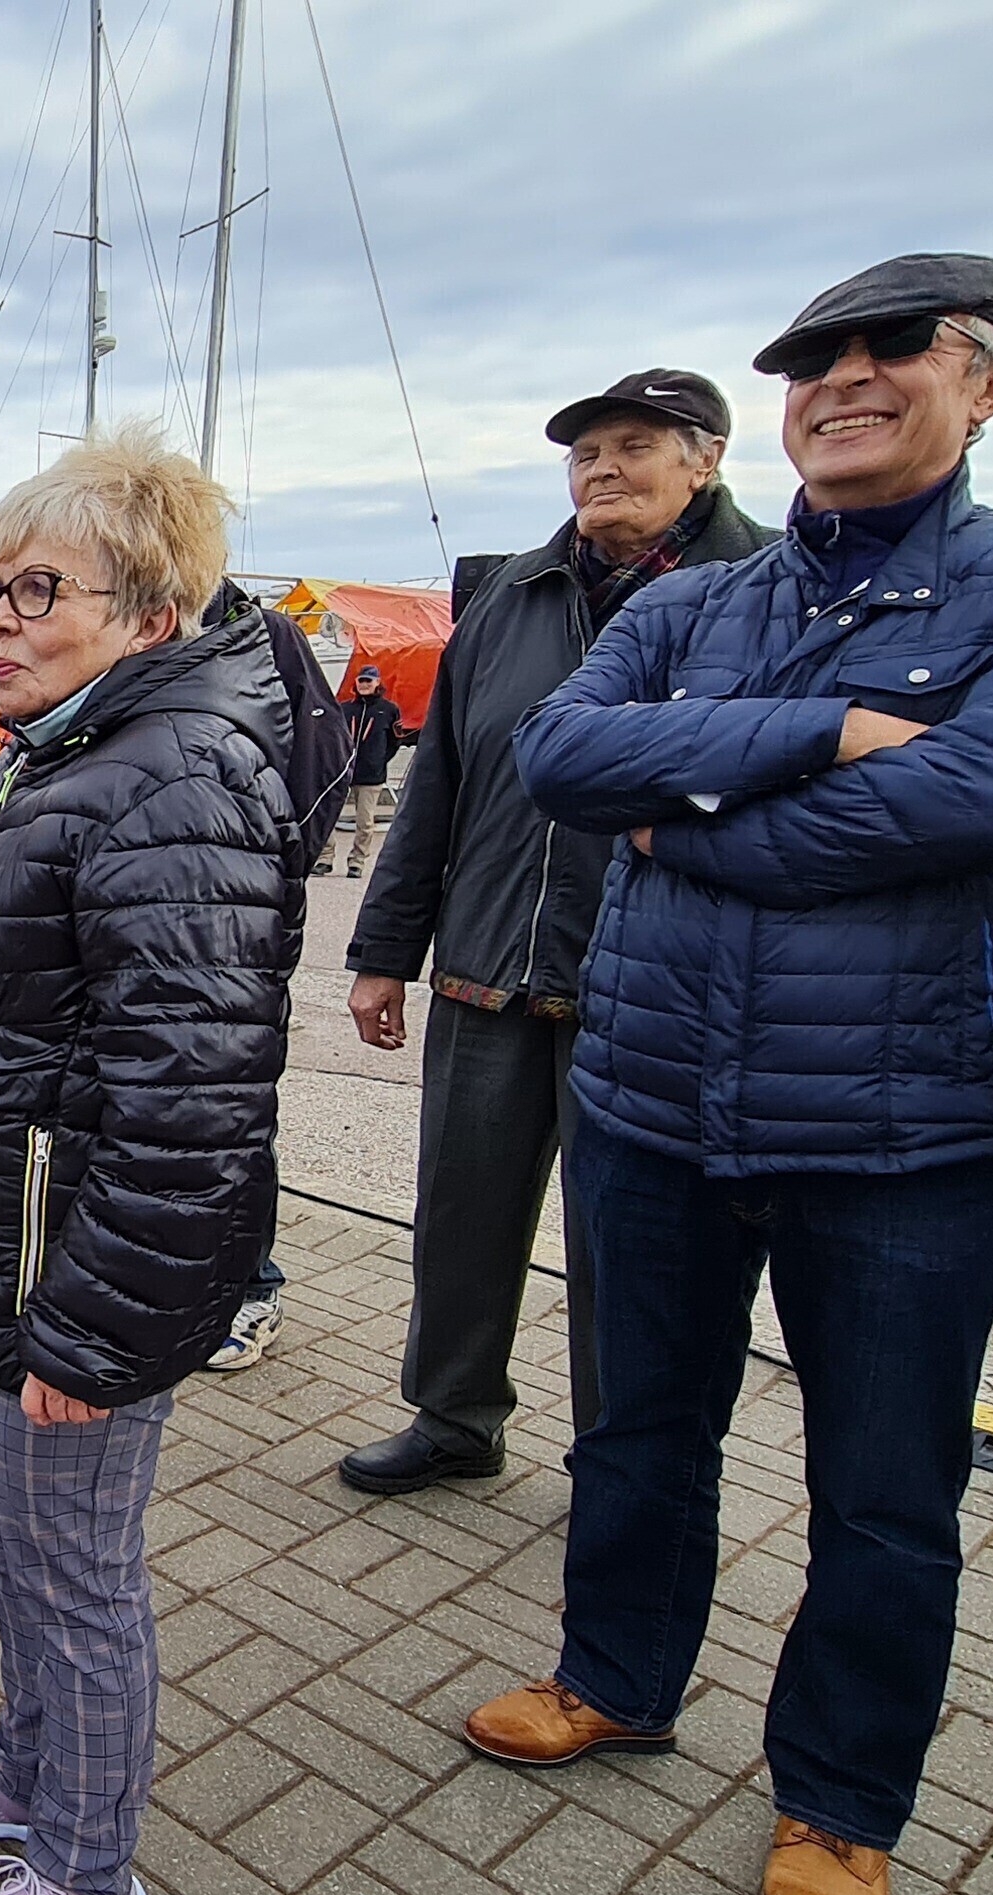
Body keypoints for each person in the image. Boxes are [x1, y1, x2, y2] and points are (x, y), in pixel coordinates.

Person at [478, 253, 993, 1895]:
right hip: (655, 1096)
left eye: (892, 348)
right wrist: (835, 731)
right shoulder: (689, 603)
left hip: (910, 1133)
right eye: (810, 360)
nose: (843, 379)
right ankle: (615, 1675)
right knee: (636, 1428)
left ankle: (842, 1795)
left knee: (882, 1486)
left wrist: (688, 809)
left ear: (989, 382)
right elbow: (559, 759)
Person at [0, 423, 301, 1895]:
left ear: (148, 614)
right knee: (17, 1548)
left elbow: (189, 1103)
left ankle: (84, 1869)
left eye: (36, 588)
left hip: (63, 1287)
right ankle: (26, 1768)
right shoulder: (64, 751)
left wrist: (96, 1333)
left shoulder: (176, 775)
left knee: (77, 1573)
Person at [339, 369, 776, 1495]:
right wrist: (384, 952)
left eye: (633, 446)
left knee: (628, 1248)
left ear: (706, 461)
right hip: (487, 964)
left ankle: (619, 1459)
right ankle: (453, 1416)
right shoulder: (513, 595)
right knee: (460, 1214)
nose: (601, 470)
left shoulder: (765, 588)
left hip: (656, 984)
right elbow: (438, 784)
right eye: (585, 453)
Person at [204, 579, 346, 1372]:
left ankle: (250, 1289)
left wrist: (268, 878)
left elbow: (324, 763)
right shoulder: (108, 627)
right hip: (137, 911)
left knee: (232, 1108)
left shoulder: (260, 634)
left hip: (235, 924)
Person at [338, 676, 398, 874]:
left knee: (365, 822)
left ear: (377, 682)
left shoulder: (389, 710)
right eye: (361, 681)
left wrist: (379, 761)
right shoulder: (344, 709)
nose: (364, 685)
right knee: (327, 817)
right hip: (343, 773)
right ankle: (325, 857)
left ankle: (357, 861)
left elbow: (394, 741)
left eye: (368, 681)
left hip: (371, 776)